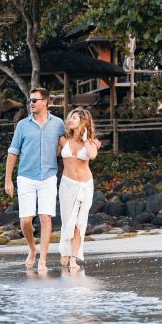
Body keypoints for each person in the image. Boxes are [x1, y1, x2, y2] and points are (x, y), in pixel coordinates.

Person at [4, 87, 65, 272]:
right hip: (26, 177)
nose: (31, 103)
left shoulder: (58, 124)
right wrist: (8, 180)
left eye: (35, 100)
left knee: (45, 217)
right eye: (30, 100)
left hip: (48, 177)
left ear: (45, 102)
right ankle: (32, 248)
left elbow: (64, 145)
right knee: (26, 220)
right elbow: (13, 152)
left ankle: (43, 260)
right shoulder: (22, 125)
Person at [58, 108, 100, 269]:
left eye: (74, 118)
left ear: (84, 121)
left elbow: (93, 155)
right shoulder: (63, 140)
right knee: (67, 220)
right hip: (67, 184)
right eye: (70, 117)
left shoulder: (90, 141)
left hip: (85, 185)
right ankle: (65, 251)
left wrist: (87, 139)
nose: (70, 120)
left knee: (79, 223)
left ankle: (73, 258)